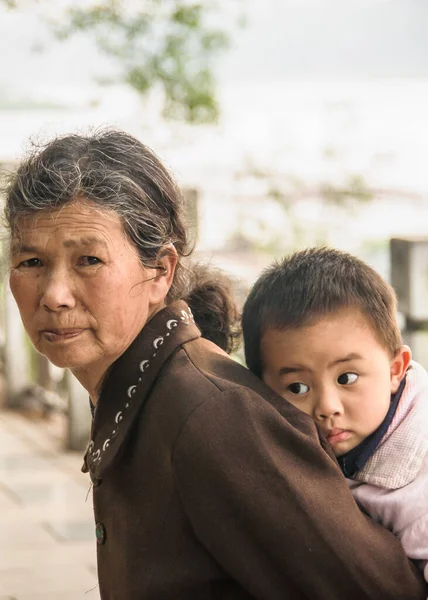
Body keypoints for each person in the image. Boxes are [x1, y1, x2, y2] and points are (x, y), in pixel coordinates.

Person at [5, 130, 427, 600]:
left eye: (88, 259)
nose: (54, 295)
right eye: (31, 262)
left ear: (160, 271)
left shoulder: (212, 414)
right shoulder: (142, 393)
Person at [242, 246, 428, 585]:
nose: (327, 407)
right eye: (297, 387)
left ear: (395, 370)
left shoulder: (420, 491)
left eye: (347, 378)